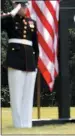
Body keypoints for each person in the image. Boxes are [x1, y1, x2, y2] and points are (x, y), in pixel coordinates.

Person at [1, 0, 39, 128]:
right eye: (21, 5)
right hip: (15, 60)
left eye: (25, 5)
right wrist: (13, 11)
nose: (24, 8)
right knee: (16, 95)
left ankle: (26, 124)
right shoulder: (10, 20)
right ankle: (18, 124)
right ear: (16, 6)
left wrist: (36, 63)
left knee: (28, 95)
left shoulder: (31, 22)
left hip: (30, 61)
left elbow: (36, 46)